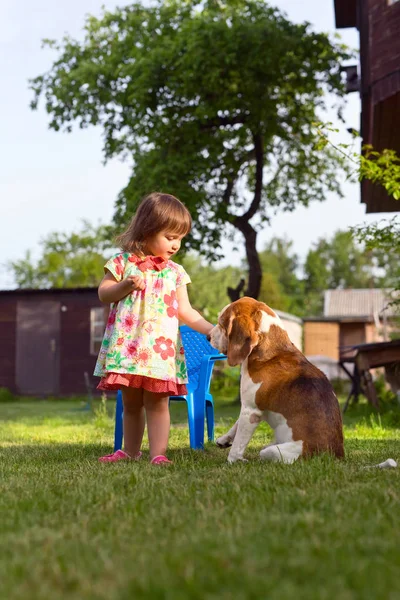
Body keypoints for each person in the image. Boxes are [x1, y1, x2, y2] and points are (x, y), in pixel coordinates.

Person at [94, 192, 214, 465]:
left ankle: (158, 454)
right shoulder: (121, 263)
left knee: (158, 403)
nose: (176, 245)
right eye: (170, 237)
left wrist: (211, 330)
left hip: (160, 351)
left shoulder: (175, 272)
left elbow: (186, 311)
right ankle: (130, 451)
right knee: (132, 404)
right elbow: (104, 294)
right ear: (147, 230)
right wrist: (125, 286)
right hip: (129, 348)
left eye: (180, 238)